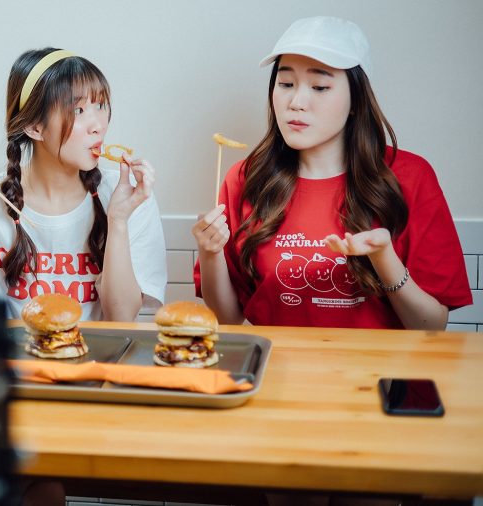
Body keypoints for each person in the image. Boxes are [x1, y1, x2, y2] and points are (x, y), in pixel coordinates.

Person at [192, 16, 471, 330]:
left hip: (379, 364)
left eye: (320, 87)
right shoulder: (246, 179)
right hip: (278, 361)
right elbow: (228, 317)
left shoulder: (411, 177)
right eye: (286, 84)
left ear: (356, 100)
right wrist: (210, 251)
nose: (296, 102)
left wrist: (384, 258)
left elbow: (431, 327)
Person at [0, 48, 168, 324]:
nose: (98, 125)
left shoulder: (128, 194)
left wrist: (118, 220)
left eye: (101, 105)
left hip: (96, 354)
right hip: (13, 353)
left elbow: (121, 318)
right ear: (35, 127)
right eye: (78, 110)